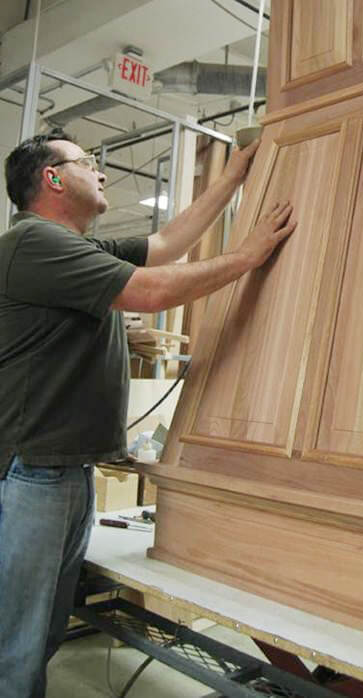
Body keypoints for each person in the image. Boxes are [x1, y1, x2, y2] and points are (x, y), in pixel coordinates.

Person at [0, 128, 296, 698]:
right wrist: (247, 256)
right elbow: (153, 290)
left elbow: (165, 247)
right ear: (53, 178)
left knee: (39, 637)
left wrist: (233, 177)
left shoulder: (79, 248)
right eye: (89, 163)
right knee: (17, 647)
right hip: (35, 472)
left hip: (67, 470)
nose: (103, 173)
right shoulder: (32, 243)